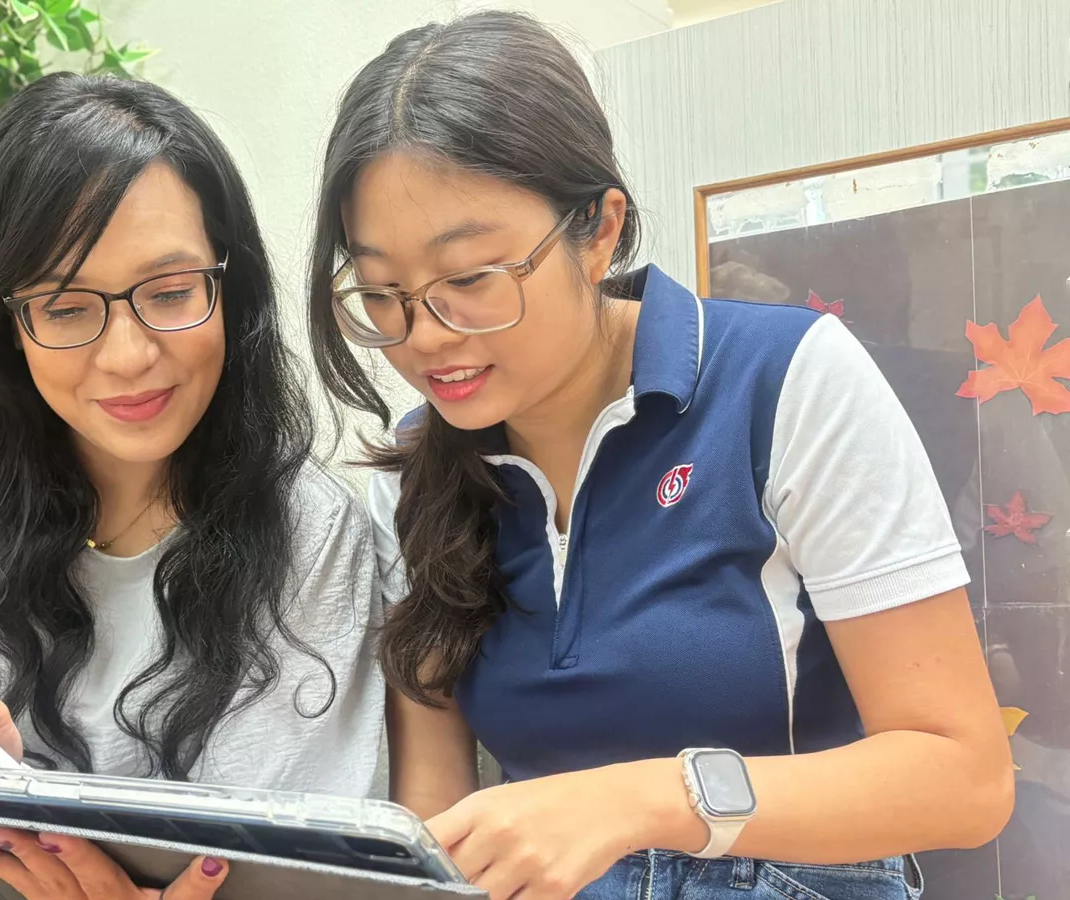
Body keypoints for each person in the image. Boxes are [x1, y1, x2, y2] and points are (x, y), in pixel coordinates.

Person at [306, 12, 1015, 900]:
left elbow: (963, 778)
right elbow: (436, 828)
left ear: (600, 229)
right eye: (381, 294)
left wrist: (644, 799)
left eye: (472, 279)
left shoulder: (784, 379)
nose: (426, 338)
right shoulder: (416, 471)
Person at [0, 72, 385, 900]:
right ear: (7, 323)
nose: (129, 355)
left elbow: (309, 870)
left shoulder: (314, 531)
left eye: (171, 293)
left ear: (231, 289)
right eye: (65, 307)